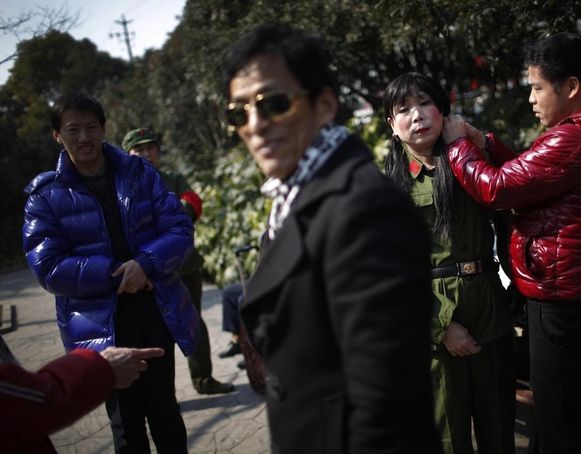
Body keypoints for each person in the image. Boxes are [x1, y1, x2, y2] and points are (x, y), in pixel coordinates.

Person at [225, 23, 441, 453]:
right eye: (238, 112)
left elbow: (386, 406)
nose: (255, 124)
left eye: (274, 103)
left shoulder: (365, 209)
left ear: (324, 105)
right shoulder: (293, 194)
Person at [444, 32, 581, 454]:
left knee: (560, 429)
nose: (532, 99)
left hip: (562, 311)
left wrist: (458, 146)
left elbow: (498, 189)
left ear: (570, 87)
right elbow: (532, 175)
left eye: (538, 87)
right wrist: (487, 145)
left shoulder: (572, 139)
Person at [22, 93, 200, 453]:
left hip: (154, 309)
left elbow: (179, 229)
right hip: (99, 325)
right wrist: (115, 274)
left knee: (166, 412)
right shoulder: (44, 196)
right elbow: (48, 266)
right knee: (126, 423)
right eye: (73, 129)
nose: (84, 137)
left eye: (91, 127)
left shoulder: (141, 175)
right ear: (58, 135)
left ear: (104, 129)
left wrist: (146, 263)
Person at [383, 72, 515, 454]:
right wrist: (440, 327)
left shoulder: (470, 161)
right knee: (449, 437)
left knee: (499, 427)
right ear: (392, 126)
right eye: (403, 109)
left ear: (443, 111)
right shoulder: (389, 189)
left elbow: (513, 209)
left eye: (425, 103)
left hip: (490, 306)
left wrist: (516, 292)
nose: (417, 115)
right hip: (436, 318)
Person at [122, 127, 235, 395]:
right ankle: (161, 394)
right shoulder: (122, 188)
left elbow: (193, 202)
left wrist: (170, 219)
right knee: (153, 333)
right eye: (139, 149)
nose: (146, 154)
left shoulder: (172, 179)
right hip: (148, 275)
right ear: (127, 154)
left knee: (193, 322)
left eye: (150, 148)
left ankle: (204, 379)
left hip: (185, 267)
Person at [0, 333, 163, 453]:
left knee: (164, 413)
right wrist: (101, 368)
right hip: (100, 334)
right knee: (127, 424)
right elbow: (32, 403)